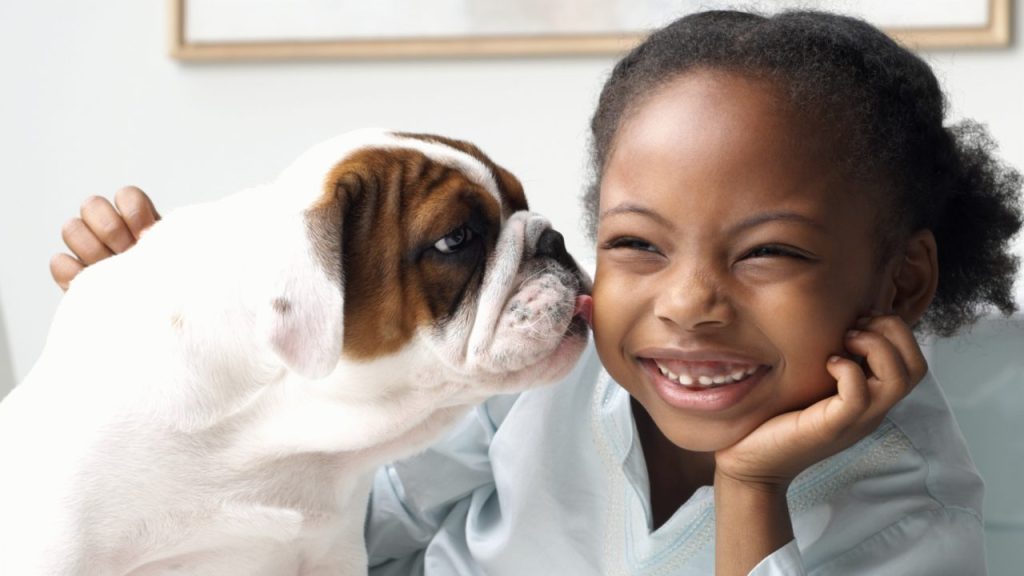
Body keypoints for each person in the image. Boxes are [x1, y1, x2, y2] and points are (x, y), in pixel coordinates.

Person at [52, 10, 1021, 575]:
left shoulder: (914, 508)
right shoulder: (533, 369)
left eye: (764, 254)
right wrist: (169, 323)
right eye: (636, 243)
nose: (686, 302)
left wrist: (751, 488)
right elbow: (338, 538)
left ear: (902, 280)